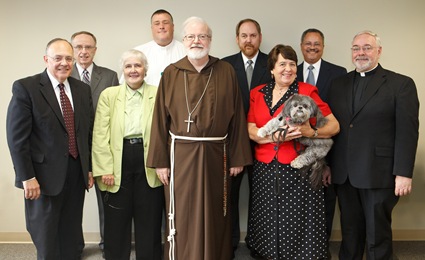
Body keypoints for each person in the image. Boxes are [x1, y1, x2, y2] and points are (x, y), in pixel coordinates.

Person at [146, 16, 252, 260]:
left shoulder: (225, 71)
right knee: (184, 211)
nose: (197, 41)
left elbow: (237, 117)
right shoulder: (171, 73)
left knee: (216, 210)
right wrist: (161, 161)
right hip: (180, 155)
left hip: (218, 155)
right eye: (191, 36)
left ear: (210, 40)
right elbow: (160, 120)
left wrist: (237, 158)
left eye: (202, 36)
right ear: (184, 40)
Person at [327, 30, 419, 260]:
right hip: (344, 173)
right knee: (350, 233)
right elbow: (332, 128)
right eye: (356, 48)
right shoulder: (338, 84)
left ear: (379, 51)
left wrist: (403, 174)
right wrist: (327, 165)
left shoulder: (401, 84)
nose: (361, 53)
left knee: (378, 235)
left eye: (367, 47)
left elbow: (408, 132)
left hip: (380, 173)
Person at [245, 44, 340, 259]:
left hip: (298, 167)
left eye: (291, 64)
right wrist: (273, 137)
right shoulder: (256, 93)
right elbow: (250, 129)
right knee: (266, 214)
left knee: (297, 218)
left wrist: (311, 131)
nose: (287, 69)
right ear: (272, 69)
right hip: (265, 165)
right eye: (282, 64)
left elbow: (334, 126)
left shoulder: (306, 91)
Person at [6, 38, 94, 259]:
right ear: (46, 60)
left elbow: (86, 134)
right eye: (58, 58)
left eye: (68, 58)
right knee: (46, 238)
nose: (63, 63)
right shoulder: (26, 87)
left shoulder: (82, 90)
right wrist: (27, 177)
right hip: (42, 178)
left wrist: (89, 168)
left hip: (75, 174)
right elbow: (17, 139)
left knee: (72, 236)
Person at [92, 49, 164, 260]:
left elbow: (164, 131)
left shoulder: (158, 92)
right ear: (122, 71)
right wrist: (104, 167)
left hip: (149, 159)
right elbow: (100, 134)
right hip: (117, 159)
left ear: (145, 69)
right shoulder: (109, 95)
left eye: (138, 66)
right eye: (128, 66)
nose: (133, 70)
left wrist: (162, 163)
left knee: (149, 218)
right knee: (116, 219)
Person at [222, 18, 271, 254]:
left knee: (262, 197)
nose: (248, 40)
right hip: (232, 142)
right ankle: (229, 243)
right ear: (237, 39)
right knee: (229, 197)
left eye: (253, 35)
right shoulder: (225, 65)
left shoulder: (272, 63)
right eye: (244, 35)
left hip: (264, 141)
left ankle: (258, 244)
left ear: (260, 37)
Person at [296, 28, 347, 258]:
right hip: (296, 149)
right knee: (298, 204)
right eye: (308, 43)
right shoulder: (289, 72)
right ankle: (298, 248)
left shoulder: (339, 73)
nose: (312, 47)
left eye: (317, 44)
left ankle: (320, 249)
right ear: (301, 45)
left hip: (328, 148)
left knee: (326, 202)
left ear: (323, 46)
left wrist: (328, 162)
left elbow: (340, 119)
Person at [70, 30, 119, 256]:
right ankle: (75, 245)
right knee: (71, 201)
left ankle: (108, 244)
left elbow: (115, 113)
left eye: (88, 47)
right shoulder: (63, 74)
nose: (83, 51)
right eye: (79, 47)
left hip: (102, 146)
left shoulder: (109, 76)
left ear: (95, 50)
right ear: (72, 50)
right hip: (73, 147)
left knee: (106, 201)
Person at [120, 9, 186, 86]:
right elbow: (124, 85)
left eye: (165, 23)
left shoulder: (186, 51)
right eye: (157, 23)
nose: (161, 26)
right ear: (152, 28)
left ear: (173, 27)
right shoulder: (137, 52)